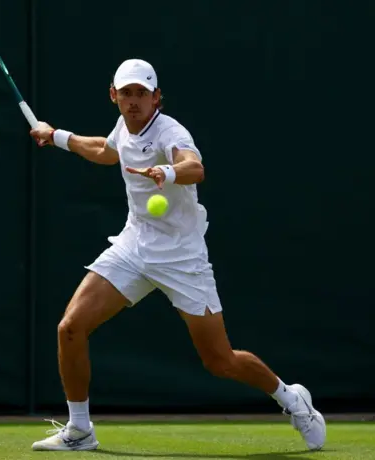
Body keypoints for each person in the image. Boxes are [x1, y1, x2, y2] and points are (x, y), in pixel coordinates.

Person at [28, 58, 326, 452]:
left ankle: (291, 399)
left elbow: (194, 167)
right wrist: (56, 136)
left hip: (182, 258)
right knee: (70, 328)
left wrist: (167, 173)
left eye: (142, 94)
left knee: (221, 361)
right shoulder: (124, 126)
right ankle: (80, 430)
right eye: (127, 93)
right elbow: (106, 149)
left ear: (156, 98)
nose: (134, 102)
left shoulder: (171, 132)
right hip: (135, 245)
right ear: (114, 96)